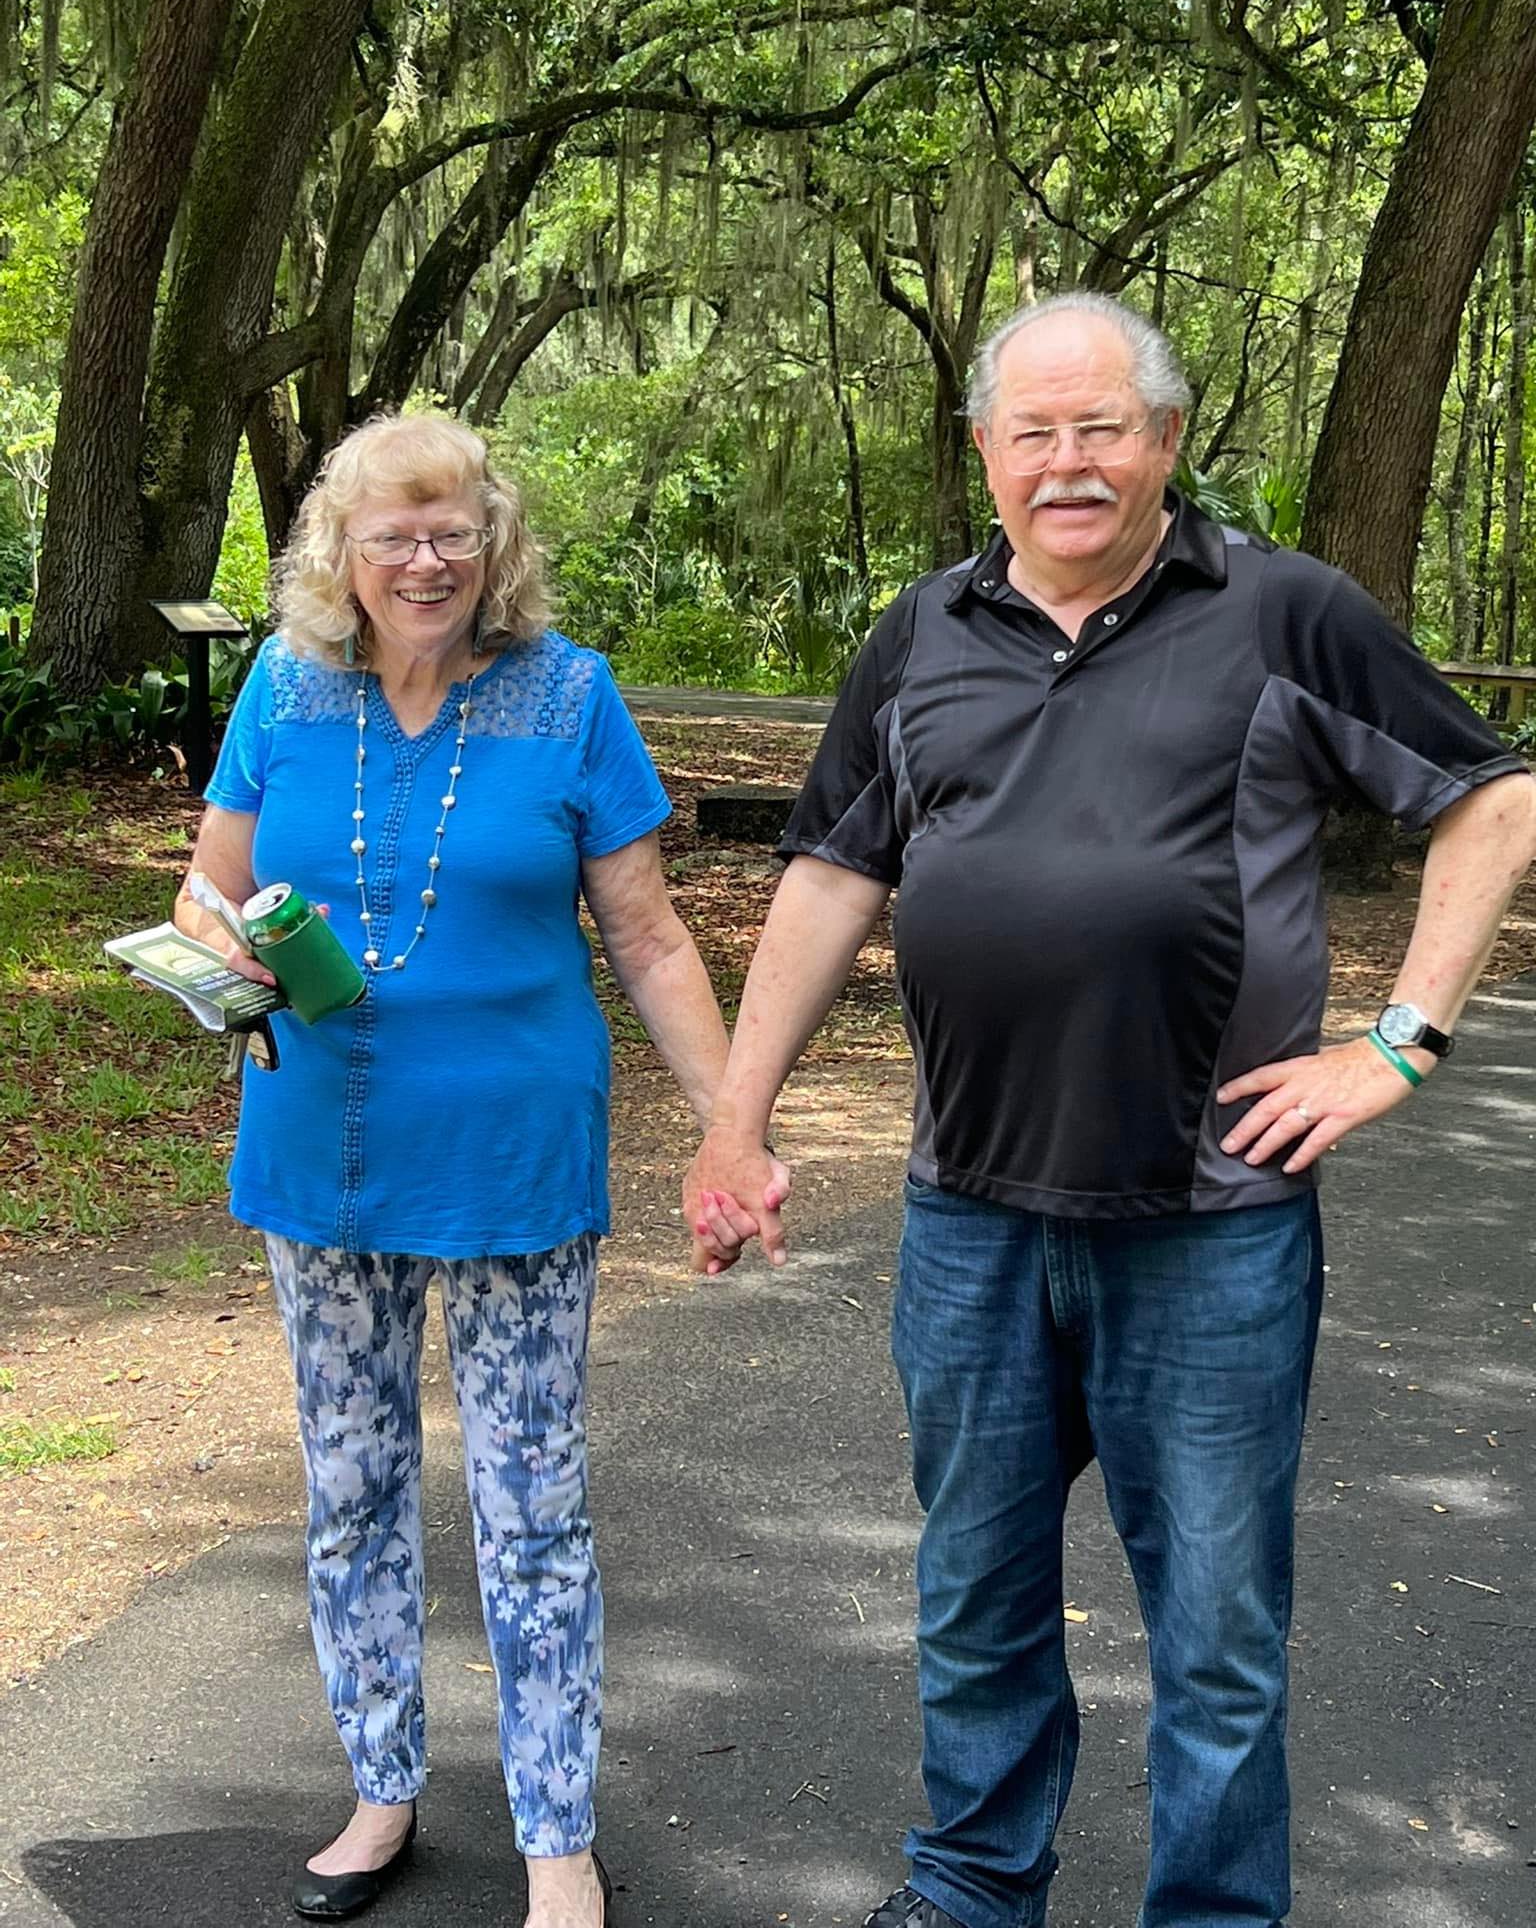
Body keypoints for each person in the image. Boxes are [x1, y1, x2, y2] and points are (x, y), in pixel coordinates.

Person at [684, 293, 1536, 1928]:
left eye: (1102, 428)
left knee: (1216, 1634)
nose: (1067, 462)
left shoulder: (1288, 614)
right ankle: (972, 1890)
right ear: (987, 453)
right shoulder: (919, 634)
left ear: (1163, 441)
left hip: (1210, 1226)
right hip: (969, 1216)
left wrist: (1398, 1044)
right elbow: (829, 873)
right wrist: (737, 1120)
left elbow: (1492, 797)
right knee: (974, 1602)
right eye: (1034, 432)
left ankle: (1213, 1916)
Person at [178, 412, 732, 1928]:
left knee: (530, 1505)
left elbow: (650, 933)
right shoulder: (284, 688)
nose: (423, 560)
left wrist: (732, 1120)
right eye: (390, 534)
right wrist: (225, 957)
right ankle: (380, 1791)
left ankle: (558, 1837)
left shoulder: (571, 699)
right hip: (321, 1154)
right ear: (338, 557)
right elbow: (205, 892)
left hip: (511, 1157)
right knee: (350, 1493)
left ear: (492, 549)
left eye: (450, 531)